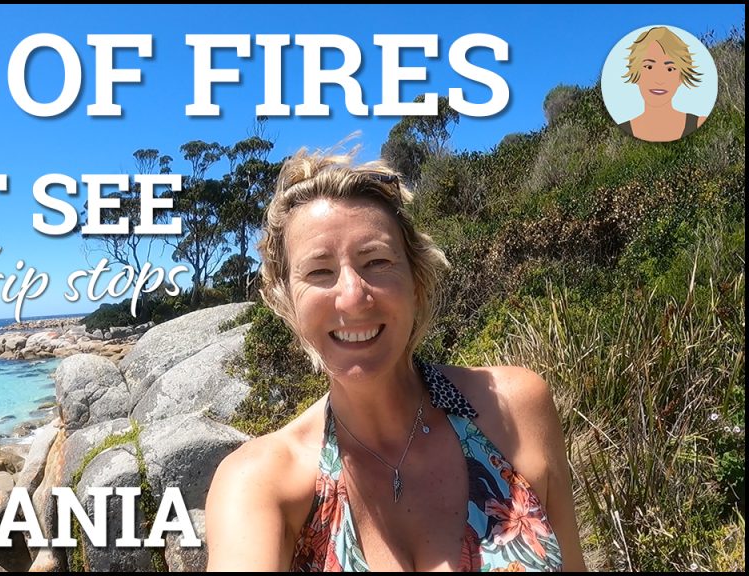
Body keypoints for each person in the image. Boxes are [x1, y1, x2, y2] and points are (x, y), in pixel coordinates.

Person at [205, 150, 585, 571]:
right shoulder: (261, 483)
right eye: (319, 272)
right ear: (286, 301)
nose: (352, 296)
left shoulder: (513, 410)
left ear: (416, 280)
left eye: (377, 262)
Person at [619, 26, 705, 142]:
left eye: (670, 69)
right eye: (649, 67)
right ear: (636, 75)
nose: (659, 79)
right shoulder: (621, 132)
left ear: (680, 78)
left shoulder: (699, 123)